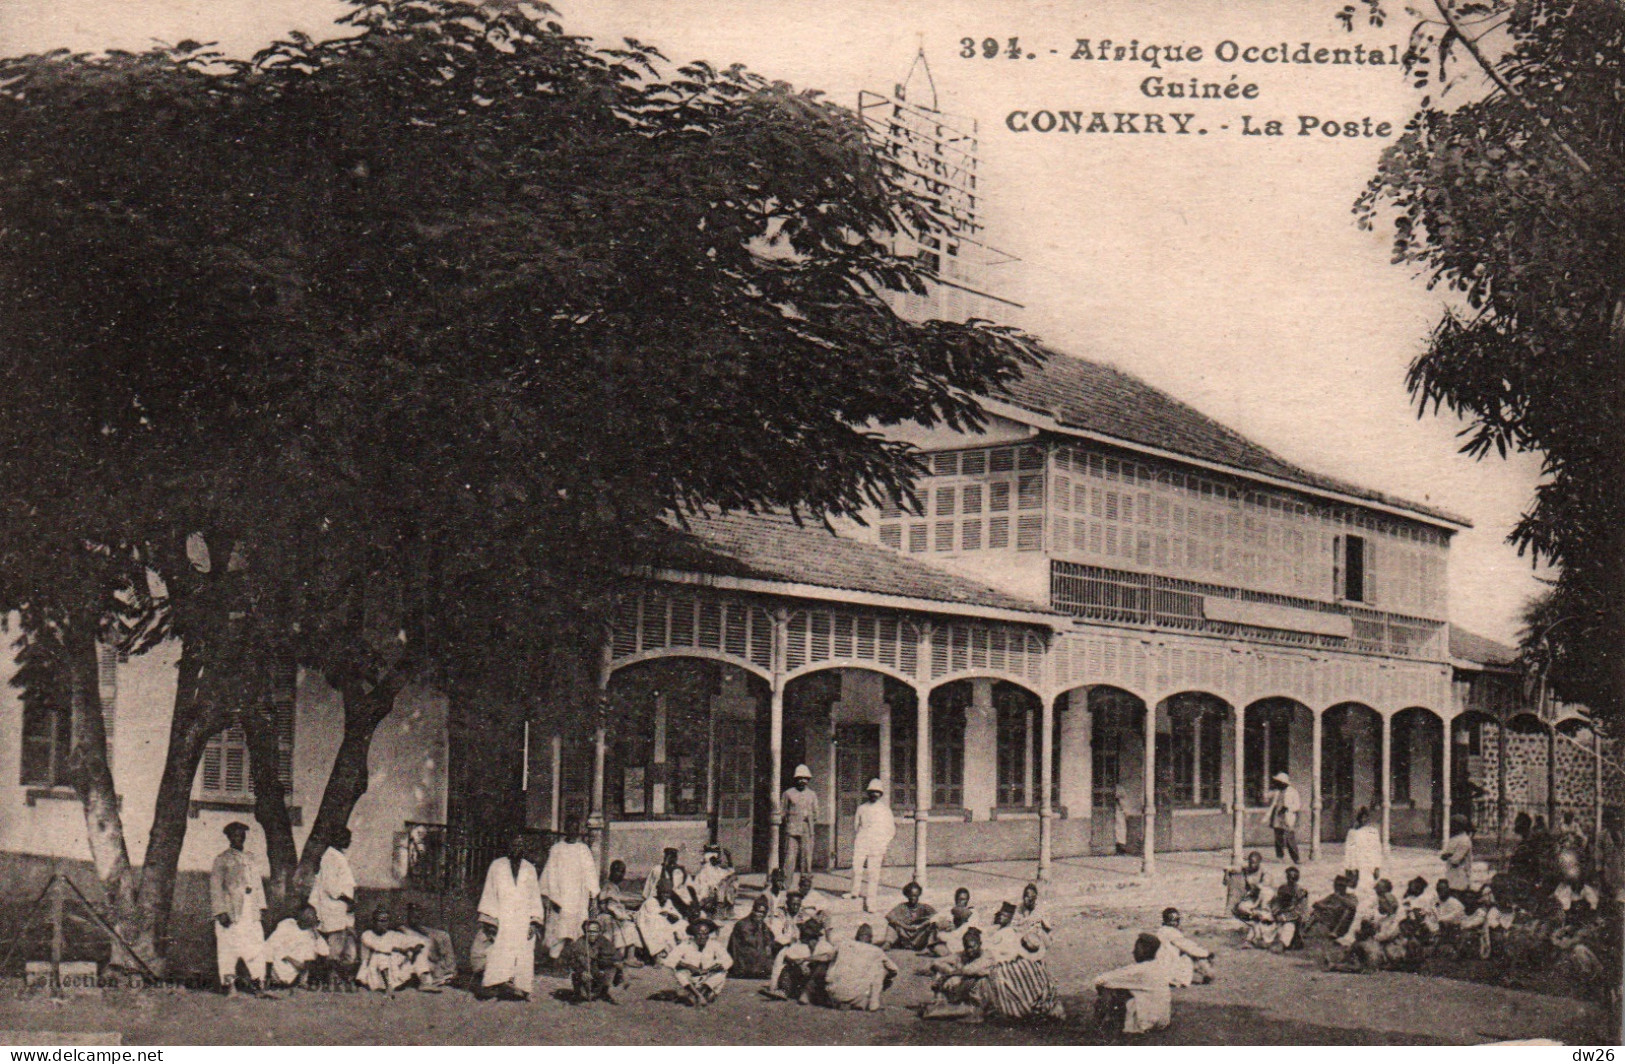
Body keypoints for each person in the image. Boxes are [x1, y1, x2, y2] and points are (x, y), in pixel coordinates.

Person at [474, 831, 545, 1000]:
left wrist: (533, 923)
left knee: (525, 954)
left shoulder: (529, 869)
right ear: (507, 846)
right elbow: (489, 893)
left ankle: (524, 989)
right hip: (503, 918)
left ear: (524, 848)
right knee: (499, 952)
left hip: (523, 919)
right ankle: (494, 986)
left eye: (520, 845)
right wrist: (490, 921)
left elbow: (535, 896)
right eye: (513, 844)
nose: (516, 848)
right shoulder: (497, 866)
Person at [210, 821, 268, 997]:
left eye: (242, 835)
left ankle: (259, 984)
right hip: (232, 909)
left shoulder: (251, 858)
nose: (239, 838)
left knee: (256, 946)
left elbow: (258, 885)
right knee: (228, 947)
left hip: (251, 909)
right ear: (229, 837)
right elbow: (215, 887)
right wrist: (220, 912)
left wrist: (262, 907)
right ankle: (229, 986)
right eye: (235, 835)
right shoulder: (222, 859)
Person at [538, 822, 598, 961]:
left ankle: (576, 958)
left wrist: (593, 895)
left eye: (575, 829)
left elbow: (590, 873)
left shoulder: (583, 849)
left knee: (578, 927)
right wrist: (553, 898)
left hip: (578, 896)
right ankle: (553, 957)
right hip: (561, 896)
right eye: (570, 829)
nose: (573, 832)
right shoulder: (557, 849)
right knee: (559, 928)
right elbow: (550, 874)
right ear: (565, 830)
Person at [307, 827, 359, 982]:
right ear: (335, 838)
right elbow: (330, 886)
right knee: (335, 944)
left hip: (341, 907)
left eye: (348, 838)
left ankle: (337, 975)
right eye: (344, 837)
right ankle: (330, 976)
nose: (348, 841)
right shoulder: (330, 857)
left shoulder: (338, 856)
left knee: (343, 943)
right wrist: (347, 899)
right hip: (333, 905)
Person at [1092, 933, 1170, 1036]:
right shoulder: (1159, 967)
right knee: (1123, 989)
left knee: (1109, 989)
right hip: (1162, 1020)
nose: (1133, 952)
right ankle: (1105, 1024)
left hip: (1146, 1022)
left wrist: (1101, 990)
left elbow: (1099, 980)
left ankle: (1099, 1027)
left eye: (1137, 949)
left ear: (1145, 949)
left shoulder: (1139, 970)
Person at [823, 923, 898, 1011]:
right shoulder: (876, 950)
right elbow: (894, 969)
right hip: (858, 994)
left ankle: (842, 1000)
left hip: (834, 994)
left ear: (857, 936)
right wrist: (888, 978)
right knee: (880, 968)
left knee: (836, 964)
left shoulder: (843, 944)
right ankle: (873, 1004)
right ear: (870, 938)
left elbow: (827, 957)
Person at [847, 779, 894, 913]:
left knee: (873, 874)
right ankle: (854, 892)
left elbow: (891, 830)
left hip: (877, 844)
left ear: (881, 794)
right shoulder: (862, 808)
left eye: (877, 792)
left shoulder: (885, 810)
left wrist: (883, 843)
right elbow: (856, 826)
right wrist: (861, 837)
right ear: (868, 793)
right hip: (862, 841)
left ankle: (870, 902)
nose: (874, 794)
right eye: (872, 792)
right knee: (857, 868)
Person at [358, 904, 430, 993]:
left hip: (394, 967)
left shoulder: (392, 934)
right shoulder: (367, 934)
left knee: (419, 952)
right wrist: (401, 950)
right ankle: (388, 986)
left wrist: (417, 946)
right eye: (381, 921)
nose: (383, 924)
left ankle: (425, 982)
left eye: (386, 921)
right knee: (381, 955)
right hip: (375, 970)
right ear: (374, 921)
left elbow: (415, 940)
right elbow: (379, 947)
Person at [764, 917, 836, 1003]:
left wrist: (807, 959)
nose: (810, 941)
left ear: (817, 937)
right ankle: (784, 991)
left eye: (813, 937)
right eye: (807, 938)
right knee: (789, 968)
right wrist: (799, 965)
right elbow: (788, 957)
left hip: (817, 982)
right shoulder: (800, 946)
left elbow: (830, 956)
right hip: (802, 980)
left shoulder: (824, 946)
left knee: (821, 967)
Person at [664, 917, 732, 1006]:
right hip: (692, 981)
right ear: (693, 934)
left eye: (705, 934)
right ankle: (699, 995)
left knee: (722, 973)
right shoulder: (686, 944)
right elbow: (669, 960)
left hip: (708, 979)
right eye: (699, 934)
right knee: (679, 973)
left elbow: (728, 960)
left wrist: (710, 969)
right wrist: (688, 966)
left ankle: (698, 994)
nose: (702, 937)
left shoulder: (714, 944)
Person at [262, 904, 330, 988]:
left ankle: (302, 981)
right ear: (300, 916)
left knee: (312, 949)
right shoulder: (287, 925)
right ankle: (269, 980)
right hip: (281, 963)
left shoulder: (311, 933)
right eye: (308, 914)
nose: (311, 917)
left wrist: (315, 931)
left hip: (298, 969)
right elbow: (271, 944)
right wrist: (290, 959)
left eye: (313, 915)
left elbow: (325, 951)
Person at [394, 903, 457, 989]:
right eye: (413, 913)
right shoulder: (402, 929)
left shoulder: (421, 928)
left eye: (418, 913)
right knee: (424, 943)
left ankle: (450, 973)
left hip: (420, 934)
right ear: (408, 914)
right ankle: (438, 976)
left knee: (444, 936)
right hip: (416, 955)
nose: (416, 915)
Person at [562, 917, 623, 1003]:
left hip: (598, 972)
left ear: (599, 932)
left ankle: (602, 991)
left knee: (612, 967)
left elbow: (615, 956)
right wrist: (581, 972)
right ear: (585, 932)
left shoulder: (604, 942)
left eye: (595, 931)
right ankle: (580, 992)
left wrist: (611, 964)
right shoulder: (579, 944)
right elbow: (572, 961)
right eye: (589, 931)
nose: (592, 934)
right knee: (583, 993)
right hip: (585, 974)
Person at [598, 860, 644, 965]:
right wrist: (625, 916)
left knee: (628, 924)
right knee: (629, 925)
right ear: (612, 871)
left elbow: (616, 904)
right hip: (607, 916)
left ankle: (627, 956)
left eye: (623, 872)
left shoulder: (613, 886)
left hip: (612, 915)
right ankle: (629, 957)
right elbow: (611, 907)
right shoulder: (608, 886)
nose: (621, 875)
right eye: (618, 871)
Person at [1155, 908, 1214, 986]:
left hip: (1161, 966)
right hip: (1169, 966)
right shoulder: (1172, 932)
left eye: (1175, 919)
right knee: (1190, 956)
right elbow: (1186, 946)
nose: (1174, 922)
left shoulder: (1160, 931)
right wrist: (1205, 953)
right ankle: (1207, 974)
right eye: (1172, 919)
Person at [727, 895, 780, 979]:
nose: (760, 915)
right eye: (758, 911)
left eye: (763, 913)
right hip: (744, 963)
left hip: (754, 960)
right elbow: (751, 943)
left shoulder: (762, 925)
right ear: (753, 910)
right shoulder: (743, 925)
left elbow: (770, 940)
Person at [635, 882, 687, 962]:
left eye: (667, 893)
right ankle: (659, 953)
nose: (665, 895)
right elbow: (656, 915)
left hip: (663, 921)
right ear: (658, 892)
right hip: (647, 923)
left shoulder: (668, 902)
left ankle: (682, 950)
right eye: (663, 893)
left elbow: (675, 914)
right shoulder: (651, 901)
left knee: (683, 923)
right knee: (660, 922)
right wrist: (669, 915)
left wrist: (674, 916)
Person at [782, 765, 820, 874]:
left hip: (807, 829)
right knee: (789, 859)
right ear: (795, 779)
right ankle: (784, 886)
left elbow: (816, 812)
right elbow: (782, 812)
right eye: (799, 778)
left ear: (808, 779)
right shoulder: (788, 793)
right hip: (792, 829)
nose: (802, 781)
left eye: (805, 778)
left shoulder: (812, 795)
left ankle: (805, 887)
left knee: (806, 859)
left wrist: (810, 819)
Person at [1263, 866, 1309, 951]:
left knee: (1288, 927)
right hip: (1280, 915)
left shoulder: (1301, 892)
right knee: (1265, 921)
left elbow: (1300, 911)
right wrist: (1275, 912)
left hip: (1294, 921)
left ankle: (1282, 944)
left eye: (1293, 877)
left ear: (1297, 878)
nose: (1290, 879)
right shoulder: (1282, 888)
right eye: (1288, 876)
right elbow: (1276, 902)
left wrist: (1285, 917)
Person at [884, 881, 938, 952]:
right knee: (891, 925)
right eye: (911, 895)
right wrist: (905, 926)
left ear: (919, 895)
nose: (913, 898)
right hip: (905, 936)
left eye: (915, 895)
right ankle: (888, 943)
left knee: (933, 926)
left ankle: (929, 946)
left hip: (919, 936)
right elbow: (889, 916)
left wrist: (921, 925)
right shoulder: (902, 906)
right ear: (907, 895)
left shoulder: (924, 907)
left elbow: (937, 916)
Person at [1343, 806, 1383, 897]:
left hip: (1370, 865)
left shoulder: (1374, 832)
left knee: (1370, 891)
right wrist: (1350, 867)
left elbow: (1377, 849)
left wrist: (1377, 866)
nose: (1364, 819)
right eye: (1362, 817)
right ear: (1358, 819)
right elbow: (1349, 851)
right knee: (1354, 890)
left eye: (1366, 817)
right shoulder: (1353, 833)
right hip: (1357, 865)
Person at [1307, 875, 1360, 942]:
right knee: (1316, 911)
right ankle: (1305, 929)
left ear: (1345, 887)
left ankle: (1335, 932)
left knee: (1348, 910)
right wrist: (1326, 907)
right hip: (1332, 921)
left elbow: (1353, 906)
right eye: (1336, 885)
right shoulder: (1332, 896)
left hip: (1343, 925)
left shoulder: (1351, 896)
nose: (1337, 887)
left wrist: (1339, 898)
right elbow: (1315, 904)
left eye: (1340, 885)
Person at [1223, 851, 1268, 929]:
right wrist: (1227, 872)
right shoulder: (1247, 868)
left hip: (1264, 898)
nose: (1251, 865)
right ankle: (1255, 914)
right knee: (1241, 908)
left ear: (1259, 862)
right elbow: (1233, 868)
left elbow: (1265, 888)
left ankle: (1263, 914)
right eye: (1250, 862)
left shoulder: (1264, 872)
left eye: (1254, 863)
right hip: (1253, 898)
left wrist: (1256, 888)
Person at [1265, 772, 1302, 865]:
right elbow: (1267, 797)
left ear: (1283, 782)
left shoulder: (1293, 791)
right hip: (1278, 817)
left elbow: (1297, 806)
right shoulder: (1277, 792)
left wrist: (1288, 807)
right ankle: (1280, 856)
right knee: (1278, 838)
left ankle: (1296, 858)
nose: (1277, 784)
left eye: (1279, 782)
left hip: (1287, 817)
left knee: (1290, 838)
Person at [932, 887, 980, 956]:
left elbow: (969, 928)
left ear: (967, 900)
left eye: (963, 899)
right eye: (959, 899)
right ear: (955, 900)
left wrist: (954, 928)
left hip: (963, 940)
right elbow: (934, 919)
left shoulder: (973, 913)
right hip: (949, 938)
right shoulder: (949, 910)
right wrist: (942, 925)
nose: (961, 902)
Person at [693, 844, 737, 911]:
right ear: (712, 859)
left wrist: (729, 858)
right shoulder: (706, 871)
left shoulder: (718, 870)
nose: (720, 859)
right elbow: (705, 890)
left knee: (728, 882)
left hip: (714, 898)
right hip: (706, 899)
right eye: (718, 857)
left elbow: (731, 872)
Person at [1441, 815, 1476, 894]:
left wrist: (1449, 855)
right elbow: (1443, 856)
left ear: (1460, 826)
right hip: (1451, 876)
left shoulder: (1465, 840)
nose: (1451, 826)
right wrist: (1448, 855)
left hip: (1460, 878)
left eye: (1454, 824)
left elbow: (1455, 861)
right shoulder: (1454, 839)